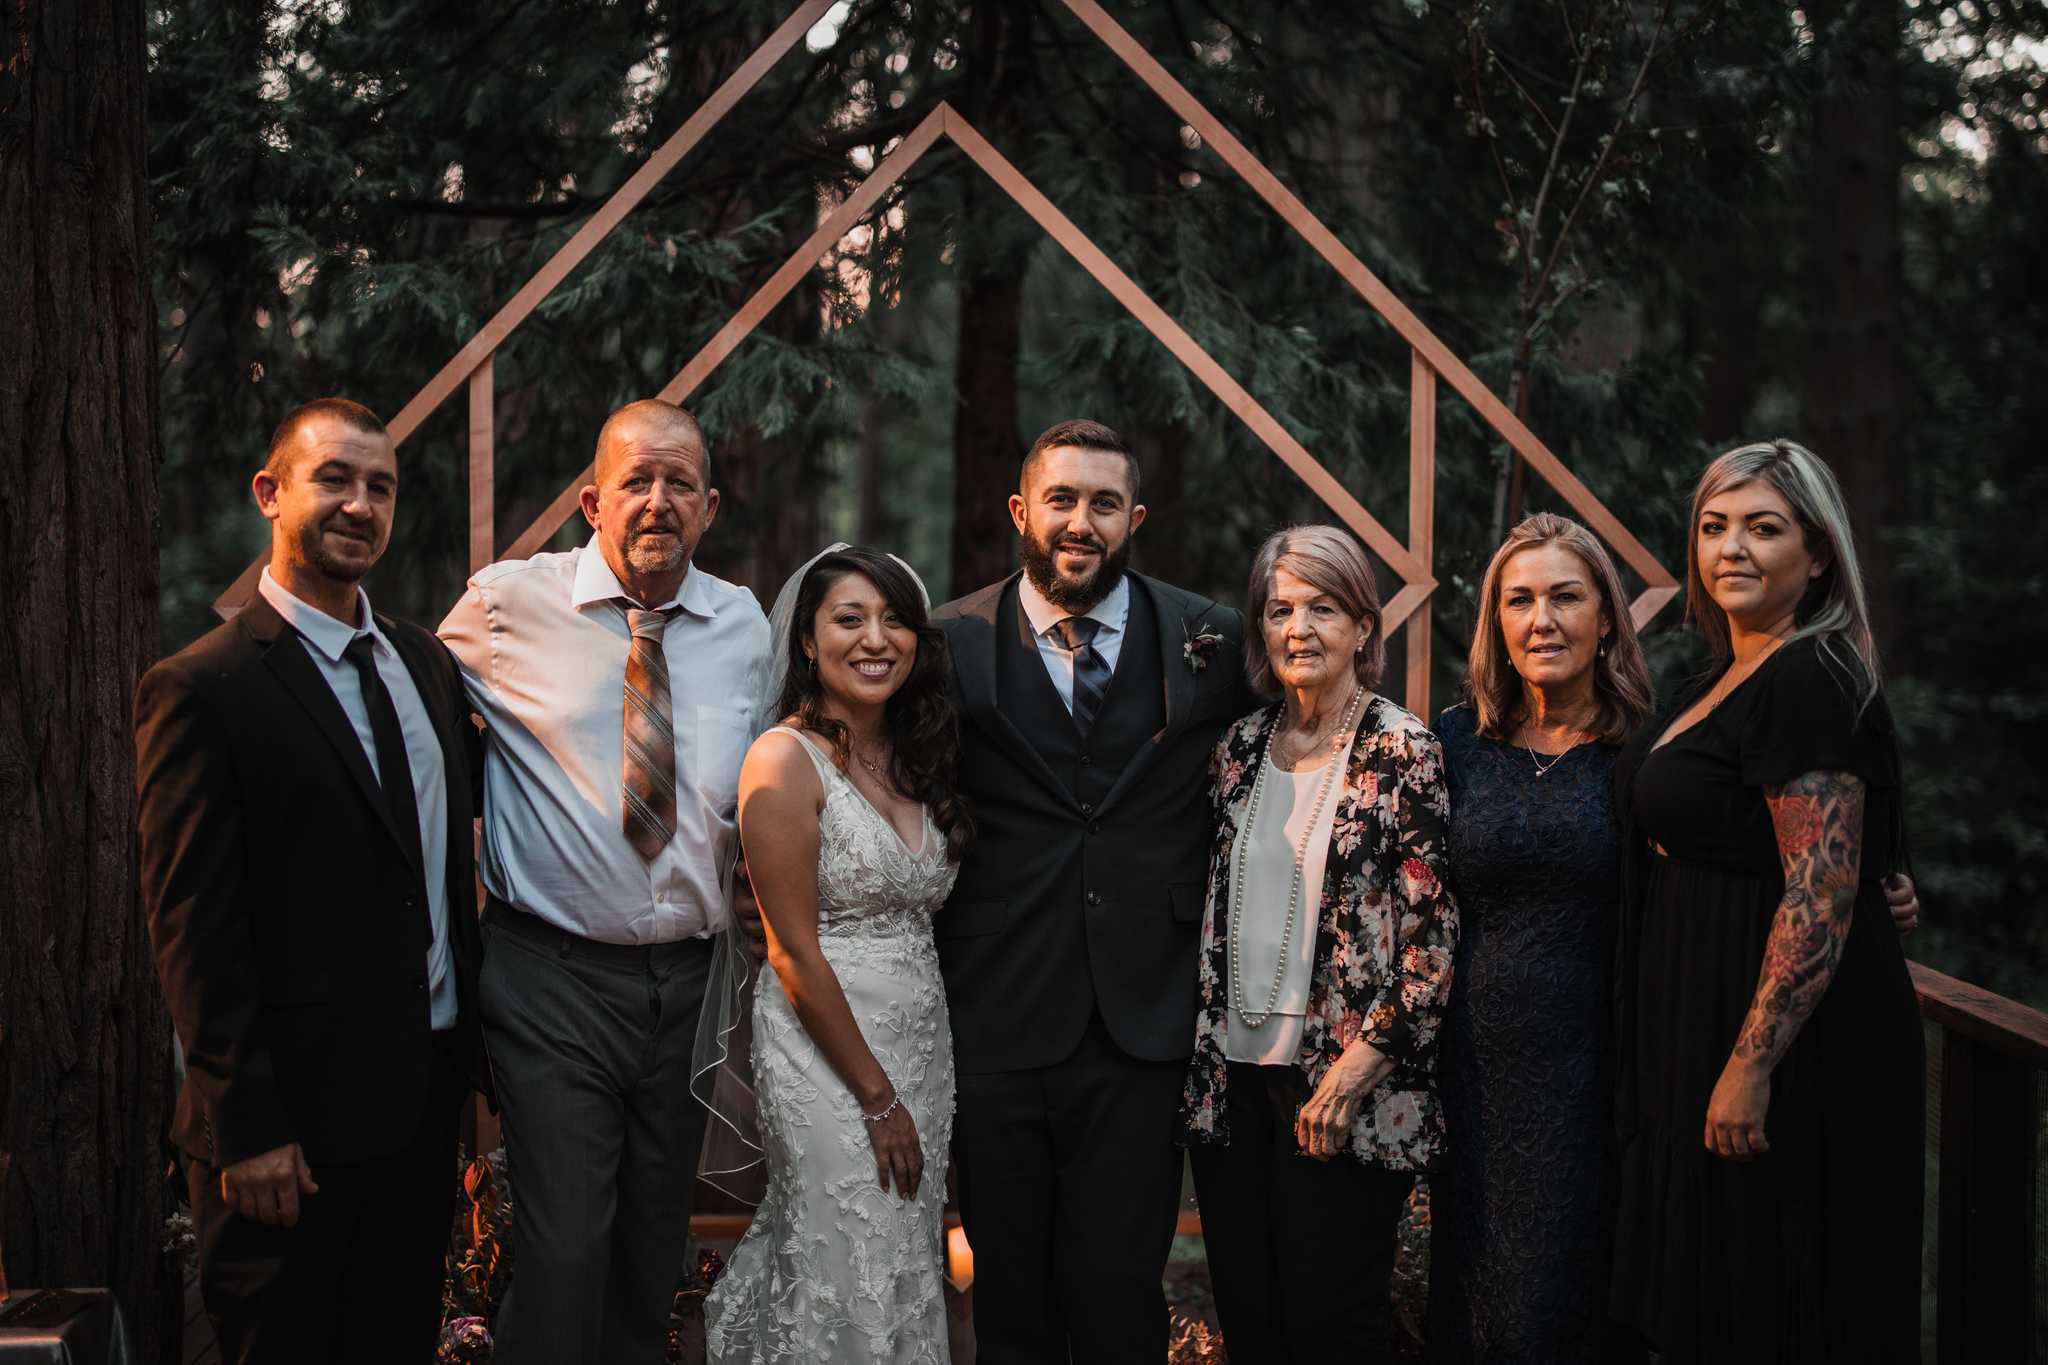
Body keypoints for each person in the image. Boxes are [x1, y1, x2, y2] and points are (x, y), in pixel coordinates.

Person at [136, 398, 484, 1364]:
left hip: (419, 1113)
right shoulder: (204, 687)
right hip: (284, 1141)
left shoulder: (426, 665)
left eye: (380, 486)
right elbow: (193, 925)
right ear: (270, 491)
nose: (359, 504)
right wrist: (246, 1127)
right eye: (333, 478)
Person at [438, 399, 769, 1365]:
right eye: (636, 481)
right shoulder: (504, 608)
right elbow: (409, 715)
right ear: (593, 500)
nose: (657, 502)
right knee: (567, 1239)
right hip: (552, 977)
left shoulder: (743, 626)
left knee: (650, 1249)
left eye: (679, 485)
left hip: (692, 985)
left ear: (710, 507)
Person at [932, 419, 1255, 1363]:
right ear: (1021, 509)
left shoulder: (1210, 637)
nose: (1081, 521)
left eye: (1104, 504)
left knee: (1121, 1291)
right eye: (1063, 499)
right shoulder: (948, 640)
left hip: (1143, 1018)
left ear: (1135, 517)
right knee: (1012, 1298)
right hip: (997, 1011)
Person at [1609, 439, 1924, 1362]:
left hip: (1791, 1055)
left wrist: (1751, 1063)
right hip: (1704, 1012)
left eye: (1763, 527)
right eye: (1714, 527)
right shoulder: (1715, 676)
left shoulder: (1812, 674)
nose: (1732, 549)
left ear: (1818, 552)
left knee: (1782, 1303)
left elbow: (1820, 896)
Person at [1178, 523, 1459, 1361]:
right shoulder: (1238, 749)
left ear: (1364, 626)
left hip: (1345, 1089)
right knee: (1253, 1324)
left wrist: (1354, 1072)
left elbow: (1432, 942)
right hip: (1232, 1082)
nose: (1299, 627)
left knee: (1330, 1330)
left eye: (1324, 607)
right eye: (1280, 609)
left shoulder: (1401, 748)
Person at [703, 546, 971, 1363]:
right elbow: (791, 952)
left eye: (893, 619)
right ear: (809, 642)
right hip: (829, 1053)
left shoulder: (917, 758)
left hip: (922, 1046)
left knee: (899, 1259)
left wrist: (906, 1091)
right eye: (849, 619)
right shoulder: (783, 760)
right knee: (839, 1254)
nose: (875, 638)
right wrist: (878, 1098)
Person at [1425, 513, 1652, 1363]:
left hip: (1594, 1079)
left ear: (1604, 618)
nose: (1541, 619)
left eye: (1565, 596)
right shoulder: (1456, 741)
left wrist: (1868, 881)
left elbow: (1729, 862)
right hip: (1471, 1076)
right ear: (1496, 622)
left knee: (1559, 1313)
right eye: (1518, 599)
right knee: (1472, 1303)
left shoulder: (1645, 754)